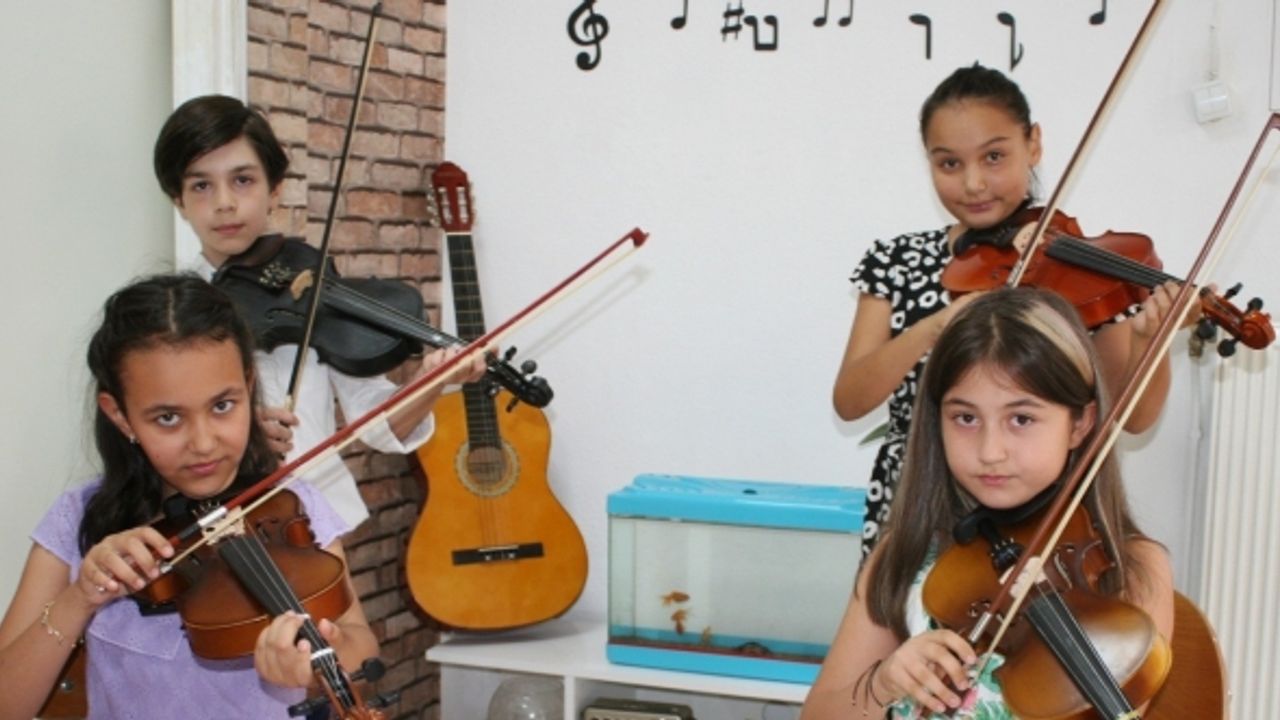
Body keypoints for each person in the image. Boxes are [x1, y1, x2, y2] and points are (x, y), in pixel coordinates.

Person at [833, 64, 1179, 559]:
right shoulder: (896, 262)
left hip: (1040, 515)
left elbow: (1133, 418)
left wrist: (1151, 343)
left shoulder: (1079, 270)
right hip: (920, 506)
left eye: (994, 157)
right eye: (949, 164)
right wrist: (934, 327)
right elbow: (850, 400)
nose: (974, 183)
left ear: (1033, 144)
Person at [0, 275, 381, 718]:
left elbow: (360, 642)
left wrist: (316, 665)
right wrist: (80, 597)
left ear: (248, 385)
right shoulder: (78, 518)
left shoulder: (291, 507)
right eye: (167, 418)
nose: (203, 443)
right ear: (120, 416)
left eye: (222, 406)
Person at [803, 287, 1174, 719]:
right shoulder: (907, 554)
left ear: (1080, 424)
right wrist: (882, 683)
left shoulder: (1130, 566)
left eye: (1021, 419)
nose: (990, 451)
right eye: (965, 418)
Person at [153, 94, 485, 528]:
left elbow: (376, 425)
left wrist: (429, 383)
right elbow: (151, 434)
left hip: (318, 525)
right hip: (217, 530)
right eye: (201, 186)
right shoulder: (168, 316)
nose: (224, 202)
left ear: (275, 190)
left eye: (243, 180)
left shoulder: (308, 286)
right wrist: (235, 435)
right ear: (178, 200)